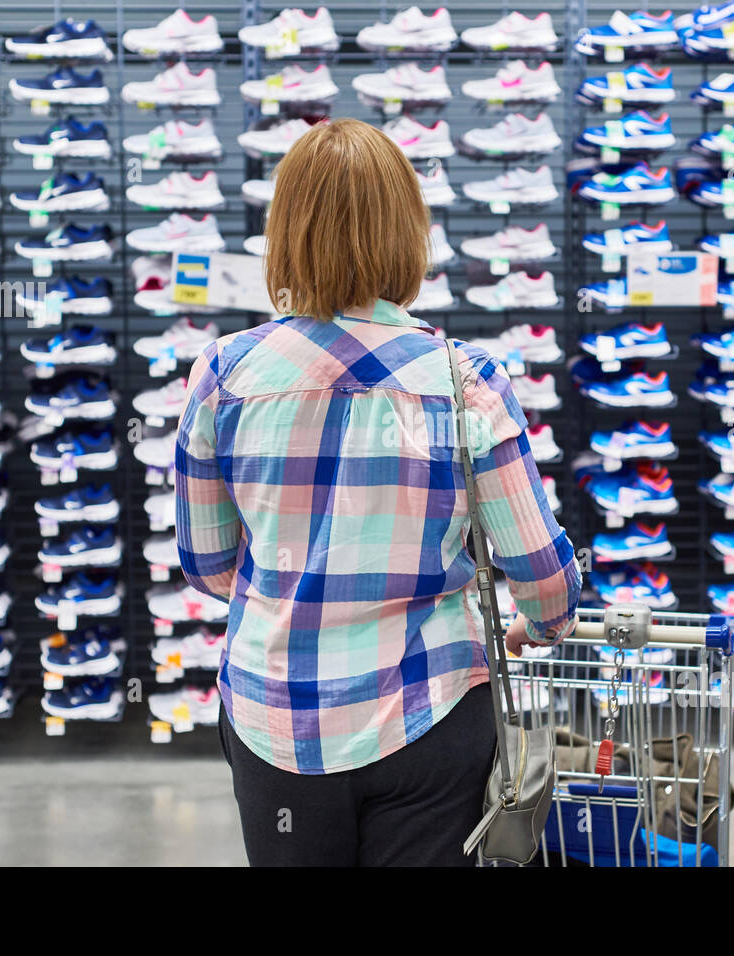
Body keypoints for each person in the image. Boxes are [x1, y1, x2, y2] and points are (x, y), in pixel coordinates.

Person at [174, 117, 579, 867]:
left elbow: (206, 564)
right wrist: (543, 627)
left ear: (284, 232)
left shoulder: (223, 374)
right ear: (408, 234)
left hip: (276, 716)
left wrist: (299, 586)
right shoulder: (465, 382)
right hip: (431, 714)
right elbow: (542, 575)